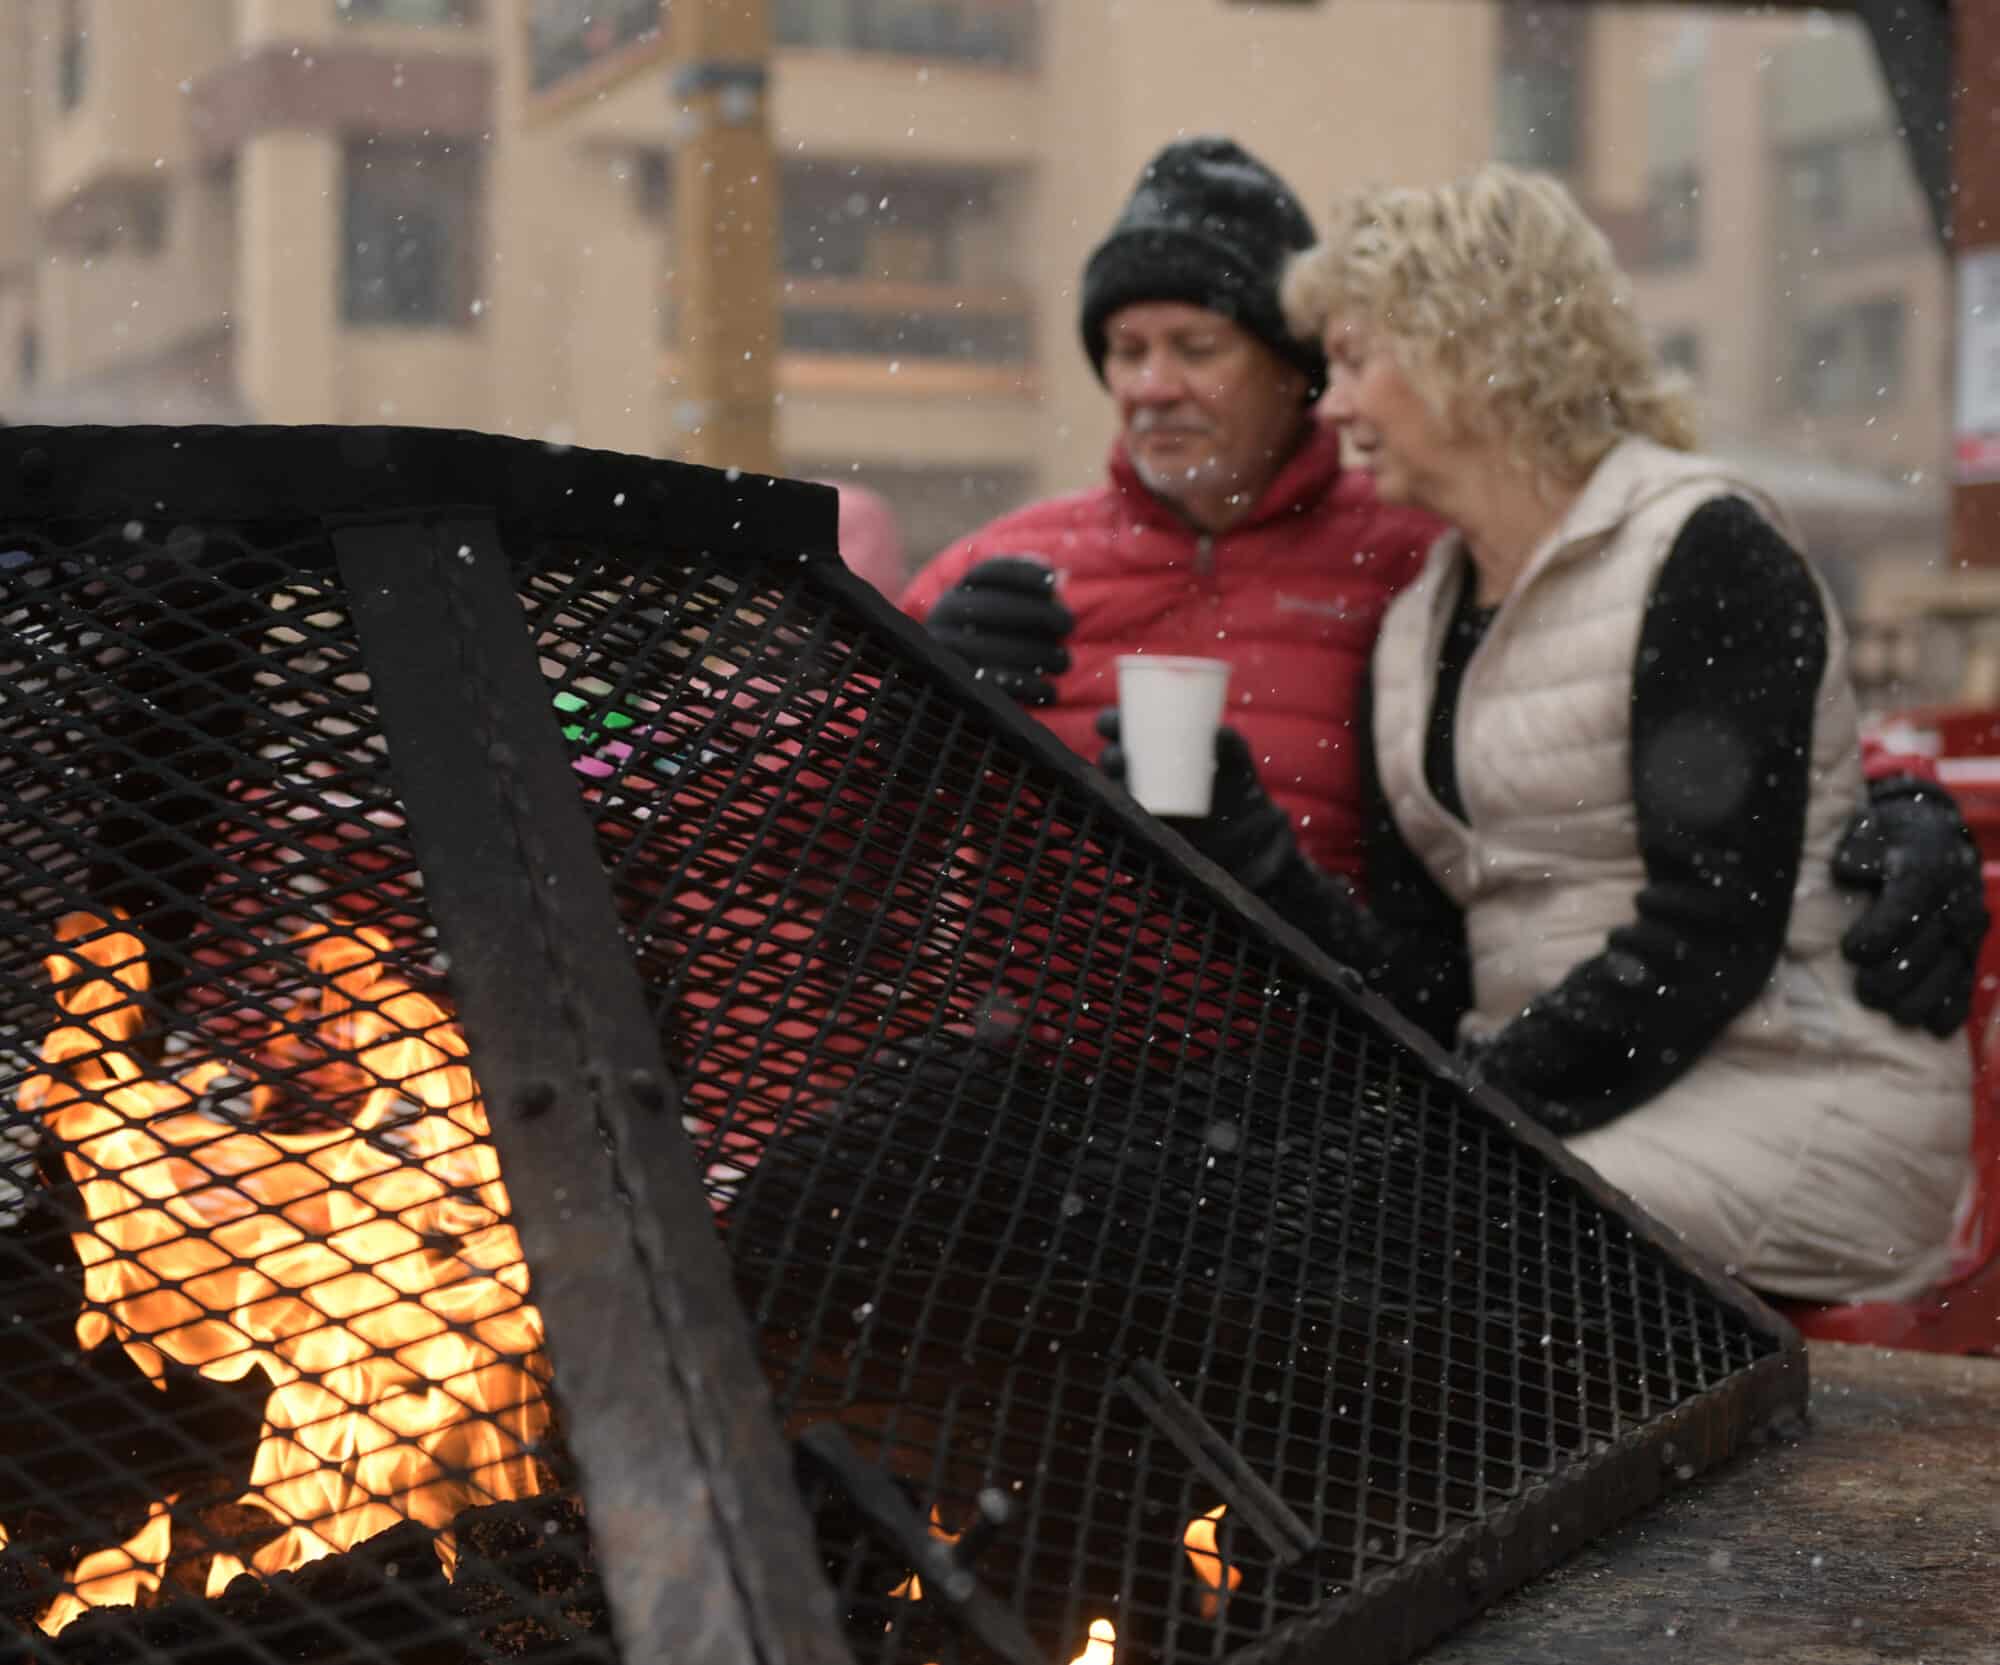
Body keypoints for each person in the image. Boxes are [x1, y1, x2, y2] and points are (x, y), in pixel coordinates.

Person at [902, 133, 1984, 1051]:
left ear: (1299, 376)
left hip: (1330, 1061)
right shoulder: (999, 570)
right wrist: (905, 697)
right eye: (1124, 350)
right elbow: (788, 841)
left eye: (1195, 347)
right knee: (796, 1221)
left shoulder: (1426, 552)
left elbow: (1689, 676)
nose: (1149, 387)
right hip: (1036, 1071)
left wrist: (1899, 802)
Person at [1108, 163, 1973, 1301]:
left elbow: (1707, 936)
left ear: (1475, 347)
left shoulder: (1697, 546)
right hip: (1570, 1106)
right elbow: (1423, 977)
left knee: (1341, 1255)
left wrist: (1459, 1123)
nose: (1335, 404)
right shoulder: (1417, 624)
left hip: (1788, 1099)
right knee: (1191, 1205)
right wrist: (1240, 838)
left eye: (1359, 358)